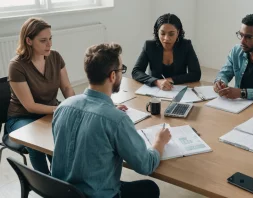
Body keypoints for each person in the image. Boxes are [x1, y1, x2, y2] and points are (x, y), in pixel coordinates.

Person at [51, 43, 171, 198]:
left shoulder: (63, 107)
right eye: (122, 70)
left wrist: (108, 110)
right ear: (112, 76)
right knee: (150, 188)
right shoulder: (116, 120)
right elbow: (146, 165)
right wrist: (159, 142)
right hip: (96, 195)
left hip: (62, 193)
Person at [6, 17, 75, 174]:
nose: (49, 44)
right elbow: (30, 106)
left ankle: (59, 178)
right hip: (21, 117)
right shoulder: (16, 66)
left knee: (63, 139)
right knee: (35, 142)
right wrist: (60, 109)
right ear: (29, 41)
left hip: (48, 113)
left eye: (50, 39)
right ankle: (46, 182)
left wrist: (74, 106)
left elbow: (66, 87)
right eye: (43, 40)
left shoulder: (55, 57)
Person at [132, 13, 201, 91]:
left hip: (178, 90)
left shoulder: (186, 45)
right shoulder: (149, 46)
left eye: (171, 34)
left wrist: (170, 80)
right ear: (157, 32)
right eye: (162, 33)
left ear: (178, 33)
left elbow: (196, 74)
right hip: (155, 91)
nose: (166, 38)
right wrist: (157, 82)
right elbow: (136, 72)